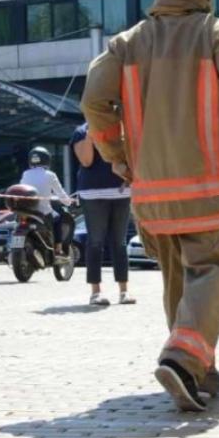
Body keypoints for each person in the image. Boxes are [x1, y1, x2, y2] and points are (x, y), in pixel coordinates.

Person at [82, 0, 219, 411]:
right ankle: (185, 358)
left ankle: (195, 371)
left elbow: (94, 101)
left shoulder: (125, 45)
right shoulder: (218, 35)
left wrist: (117, 154)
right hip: (207, 187)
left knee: (178, 282)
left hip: (151, 195)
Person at [71, 123, 134, 306]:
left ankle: (124, 291)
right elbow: (87, 161)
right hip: (93, 193)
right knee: (96, 241)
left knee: (119, 242)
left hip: (121, 191)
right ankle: (95, 292)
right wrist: (91, 135)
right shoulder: (80, 132)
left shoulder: (121, 127)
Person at [19, 146, 75, 255]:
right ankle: (58, 248)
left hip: (27, 212)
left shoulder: (25, 174)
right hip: (43, 212)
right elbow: (61, 194)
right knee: (58, 218)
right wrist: (69, 202)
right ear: (47, 159)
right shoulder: (50, 175)